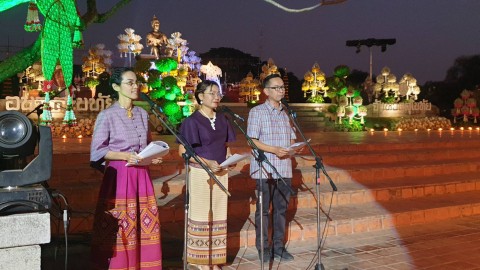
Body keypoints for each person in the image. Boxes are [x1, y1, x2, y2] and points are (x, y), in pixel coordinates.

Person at [90, 67, 162, 269]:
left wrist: (152, 155)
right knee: (123, 223)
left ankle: (143, 263)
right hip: (120, 176)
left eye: (136, 82)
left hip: (141, 175)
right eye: (129, 82)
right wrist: (124, 155)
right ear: (116, 86)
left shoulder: (141, 113)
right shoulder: (107, 115)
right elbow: (97, 151)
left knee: (143, 221)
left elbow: (146, 144)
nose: (135, 86)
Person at [178, 80, 236, 270]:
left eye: (218, 93)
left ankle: (215, 258)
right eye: (211, 93)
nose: (216, 97)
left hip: (221, 172)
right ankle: (200, 260)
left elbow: (226, 146)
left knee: (219, 215)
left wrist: (229, 158)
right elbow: (183, 151)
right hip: (200, 174)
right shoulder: (192, 121)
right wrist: (207, 163)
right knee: (202, 216)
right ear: (200, 96)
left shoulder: (222, 119)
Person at [247, 73, 296, 263]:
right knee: (263, 211)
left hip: (284, 168)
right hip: (264, 169)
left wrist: (291, 148)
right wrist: (274, 150)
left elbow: (292, 136)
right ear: (266, 91)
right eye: (276, 87)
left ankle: (278, 246)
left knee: (281, 209)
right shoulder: (257, 112)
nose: (281, 90)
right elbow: (252, 140)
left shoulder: (286, 112)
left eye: (283, 87)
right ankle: (263, 248)